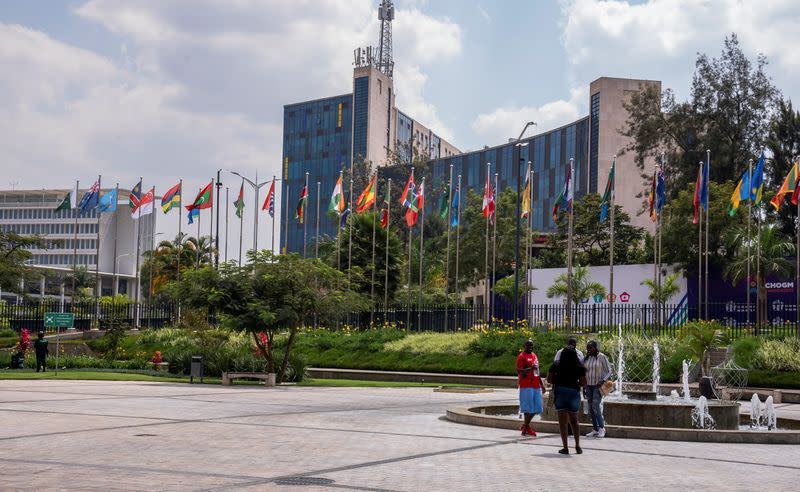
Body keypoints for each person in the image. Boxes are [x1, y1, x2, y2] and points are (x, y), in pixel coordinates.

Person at [547, 346, 587, 455]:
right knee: (574, 420)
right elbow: (584, 383)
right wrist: (575, 383)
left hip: (560, 391)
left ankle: (565, 447)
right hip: (574, 392)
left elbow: (549, 379)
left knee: (562, 422)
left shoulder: (556, 365)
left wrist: (559, 381)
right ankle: (577, 446)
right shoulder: (579, 366)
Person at [583, 340, 612, 438]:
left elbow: (609, 371)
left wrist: (603, 380)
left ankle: (602, 428)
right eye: (587, 348)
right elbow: (584, 372)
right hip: (588, 386)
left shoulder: (602, 357)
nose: (588, 350)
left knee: (596, 405)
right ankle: (595, 429)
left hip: (597, 386)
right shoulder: (586, 358)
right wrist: (584, 386)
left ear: (596, 348)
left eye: (590, 348)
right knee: (591, 407)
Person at [516, 339, 544, 436]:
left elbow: (537, 371)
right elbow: (519, 371)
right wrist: (530, 369)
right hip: (526, 385)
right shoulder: (521, 356)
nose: (530, 347)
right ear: (524, 346)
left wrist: (542, 384)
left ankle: (525, 425)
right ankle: (526, 428)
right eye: (528, 345)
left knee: (538, 408)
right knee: (528, 409)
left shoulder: (534, 355)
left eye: (532, 345)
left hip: (536, 385)